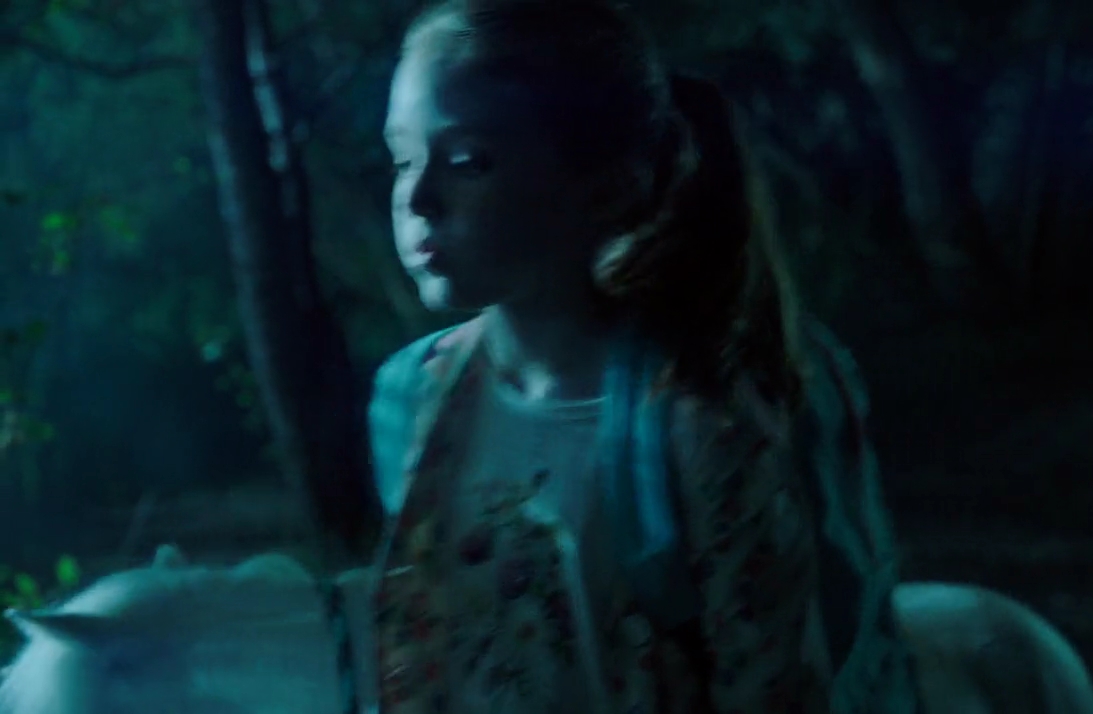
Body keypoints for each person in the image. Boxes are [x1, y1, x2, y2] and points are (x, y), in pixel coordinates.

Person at [366, 1, 919, 712]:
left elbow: (773, 687)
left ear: (607, 187)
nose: (416, 198)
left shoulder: (699, 419)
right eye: (402, 158)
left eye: (468, 162)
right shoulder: (414, 397)